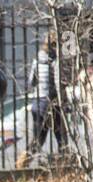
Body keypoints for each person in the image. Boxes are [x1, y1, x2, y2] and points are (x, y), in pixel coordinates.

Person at [19, 32, 62, 166]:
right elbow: (57, 82)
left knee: (39, 137)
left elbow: (31, 82)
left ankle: (22, 162)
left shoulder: (37, 59)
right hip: (51, 102)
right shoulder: (54, 60)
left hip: (37, 102)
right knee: (61, 136)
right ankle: (63, 163)